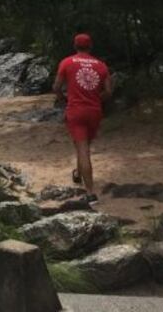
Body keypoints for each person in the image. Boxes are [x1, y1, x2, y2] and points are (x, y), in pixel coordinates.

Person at [52, 33, 112, 204]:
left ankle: (90, 192)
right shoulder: (101, 65)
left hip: (76, 110)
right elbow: (108, 91)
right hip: (94, 111)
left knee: (83, 149)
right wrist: (96, 99)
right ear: (90, 46)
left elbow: (56, 86)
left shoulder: (67, 62)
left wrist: (63, 98)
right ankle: (78, 174)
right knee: (83, 146)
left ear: (75, 46)